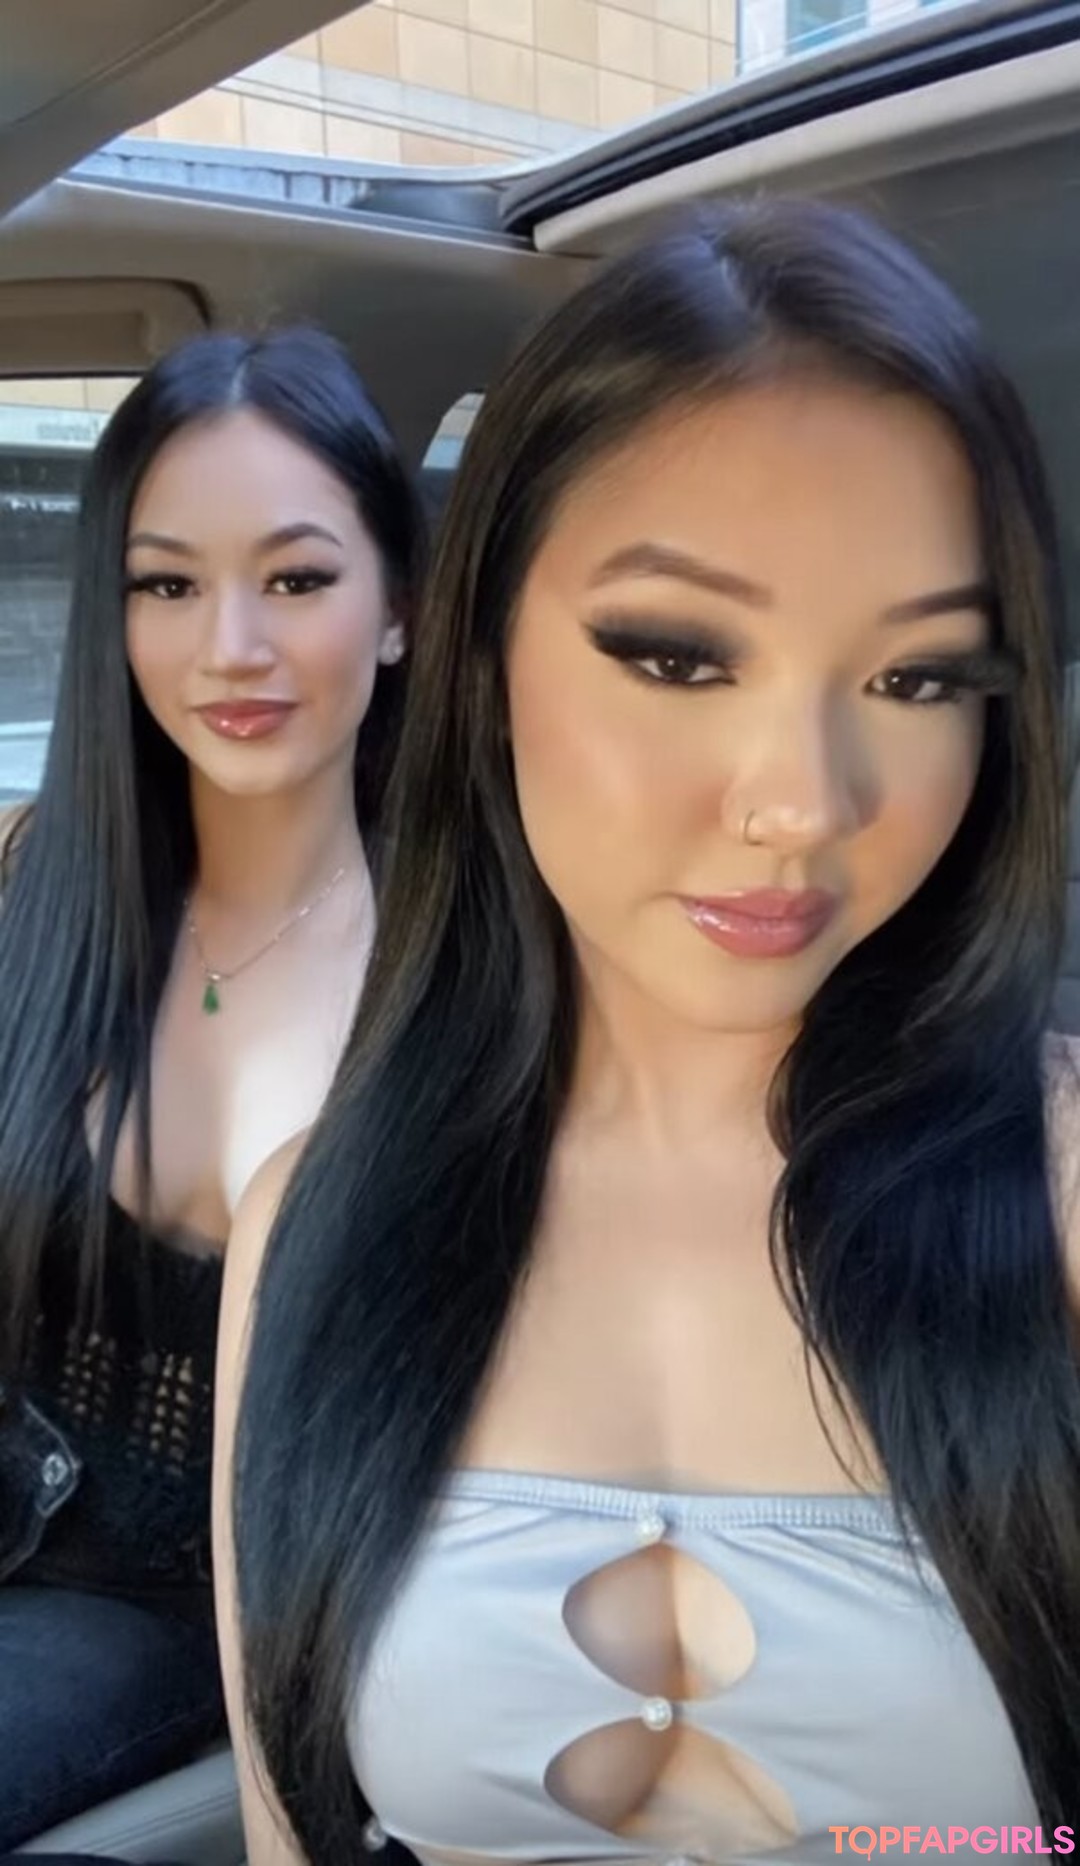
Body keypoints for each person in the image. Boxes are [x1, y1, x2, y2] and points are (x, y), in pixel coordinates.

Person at [217, 200, 1080, 1866]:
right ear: (481, 655)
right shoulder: (313, 1222)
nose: (804, 803)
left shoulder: (1055, 1190)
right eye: (679, 656)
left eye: (920, 681)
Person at [0, 327, 424, 1846]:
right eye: (167, 585)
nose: (229, 646)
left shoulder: (454, 975)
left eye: (296, 580)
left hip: (193, 1600)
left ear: (397, 611)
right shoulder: (39, 876)